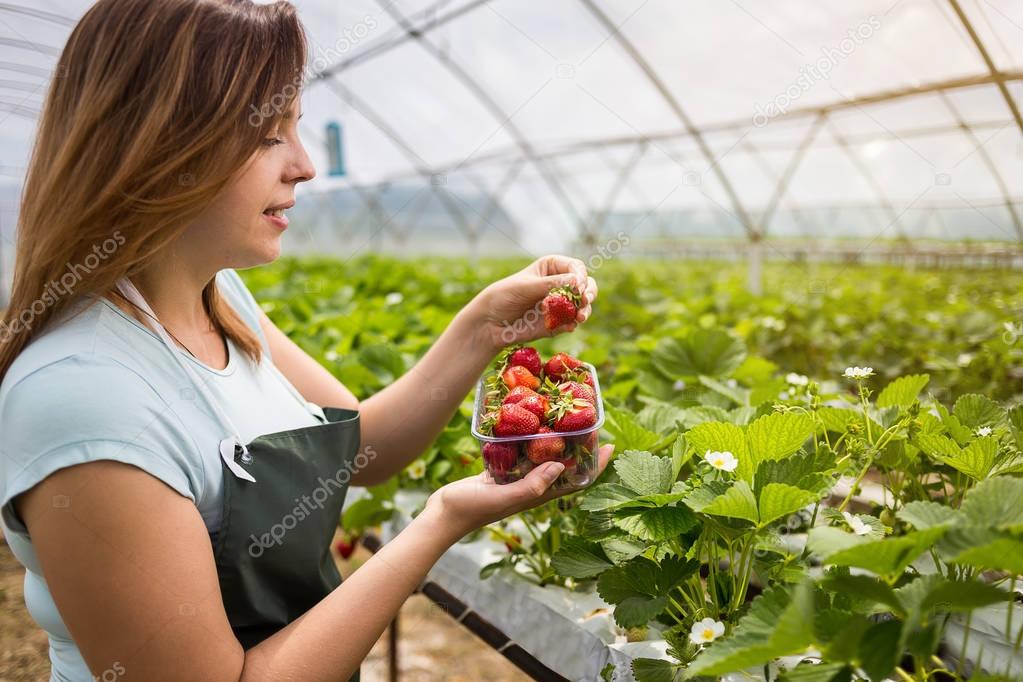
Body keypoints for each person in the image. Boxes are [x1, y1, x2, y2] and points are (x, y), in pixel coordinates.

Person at [0, 1, 613, 680]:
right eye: (268, 136)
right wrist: (437, 522)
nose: (305, 166)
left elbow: (363, 448)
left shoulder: (220, 297)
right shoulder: (82, 398)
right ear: (158, 146)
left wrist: (483, 328)